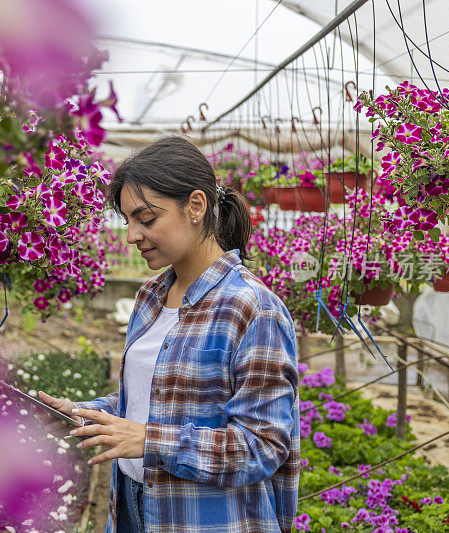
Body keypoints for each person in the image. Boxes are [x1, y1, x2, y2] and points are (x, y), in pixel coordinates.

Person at [39, 136, 299, 532]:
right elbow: (158, 395)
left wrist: (150, 441)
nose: (132, 235)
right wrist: (93, 413)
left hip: (205, 519)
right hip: (130, 504)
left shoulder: (252, 308)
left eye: (146, 219)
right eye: (127, 221)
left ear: (195, 206)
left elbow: (263, 447)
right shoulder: (151, 296)